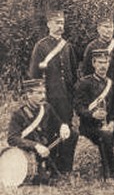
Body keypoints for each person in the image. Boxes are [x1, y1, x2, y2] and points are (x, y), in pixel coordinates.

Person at [29, 10, 78, 174]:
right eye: (57, 23)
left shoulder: (67, 46)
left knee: (67, 132)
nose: (60, 26)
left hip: (65, 98)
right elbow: (34, 76)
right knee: (50, 132)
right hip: (49, 98)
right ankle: (50, 168)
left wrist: (73, 98)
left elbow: (72, 73)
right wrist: (40, 98)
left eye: (62, 23)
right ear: (48, 24)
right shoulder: (41, 46)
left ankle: (65, 169)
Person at [7, 79, 72, 184]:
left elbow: (58, 123)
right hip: (31, 153)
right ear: (29, 94)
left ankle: (64, 171)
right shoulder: (18, 114)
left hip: (48, 147)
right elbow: (12, 139)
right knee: (43, 180)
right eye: (39, 93)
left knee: (73, 134)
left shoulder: (47, 108)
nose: (43, 96)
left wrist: (63, 127)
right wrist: (35, 145)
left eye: (44, 92)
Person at [74, 49, 114, 180]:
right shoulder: (84, 83)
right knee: (105, 135)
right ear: (93, 63)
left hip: (108, 125)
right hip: (89, 127)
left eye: (106, 62)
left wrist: (112, 123)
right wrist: (92, 114)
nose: (103, 66)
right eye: (100, 62)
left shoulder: (112, 84)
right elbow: (78, 108)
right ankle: (109, 174)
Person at [81, 16, 114, 84]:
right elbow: (86, 70)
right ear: (98, 29)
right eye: (106, 26)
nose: (109, 30)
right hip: (98, 86)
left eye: (111, 27)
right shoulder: (92, 46)